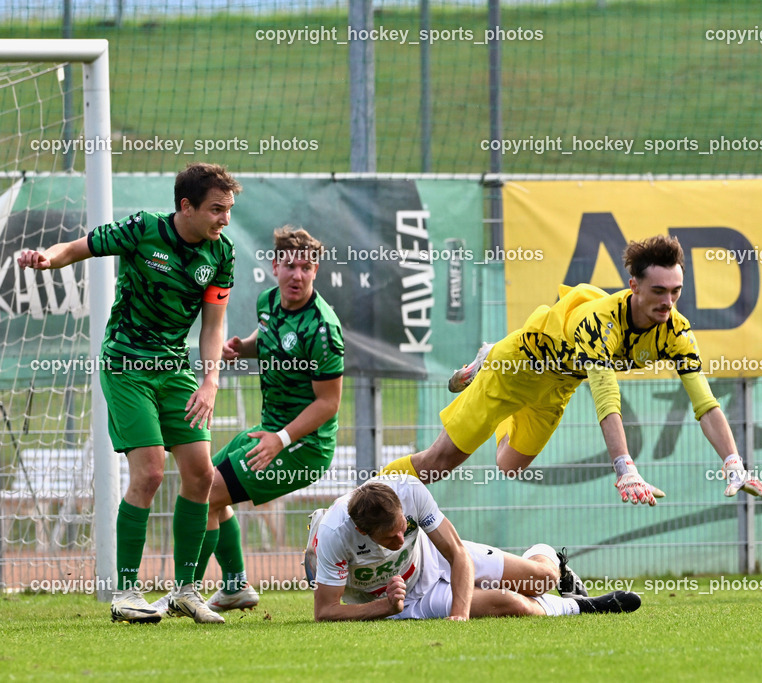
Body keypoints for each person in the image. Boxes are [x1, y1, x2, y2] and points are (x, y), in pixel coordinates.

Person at [381, 235, 762, 506]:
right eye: (659, 291)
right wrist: (625, 469)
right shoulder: (600, 322)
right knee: (437, 465)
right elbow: (606, 397)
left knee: (508, 465)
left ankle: (487, 362)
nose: (668, 302)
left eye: (676, 291)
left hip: (558, 385)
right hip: (514, 369)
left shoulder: (676, 330)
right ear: (634, 286)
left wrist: (734, 462)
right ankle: (363, 497)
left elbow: (704, 402)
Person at [18, 163, 241, 624]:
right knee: (151, 472)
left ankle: (185, 591)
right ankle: (125, 593)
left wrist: (210, 381)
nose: (225, 219)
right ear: (187, 206)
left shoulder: (222, 253)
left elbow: (212, 326)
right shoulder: (143, 229)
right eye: (217, 209)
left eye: (229, 210)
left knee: (201, 475)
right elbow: (77, 247)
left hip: (174, 369)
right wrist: (47, 259)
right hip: (126, 364)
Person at [154, 226, 345, 616]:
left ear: (316, 270)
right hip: (268, 431)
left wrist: (282, 439)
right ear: (275, 266)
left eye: (306, 267)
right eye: (290, 266)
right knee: (204, 485)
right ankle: (235, 586)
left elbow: (328, 403)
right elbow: (270, 336)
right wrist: (244, 347)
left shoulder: (323, 329)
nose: (297, 275)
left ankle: (184, 594)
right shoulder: (268, 301)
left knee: (206, 495)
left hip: (303, 448)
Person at [307, 474, 641, 621]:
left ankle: (552, 559)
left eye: (403, 530)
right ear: (362, 531)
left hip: (435, 557)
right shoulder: (335, 534)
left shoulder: (409, 491)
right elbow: (325, 612)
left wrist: (460, 615)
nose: (399, 542)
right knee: (509, 602)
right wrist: (385, 607)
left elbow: (456, 553)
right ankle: (582, 607)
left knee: (542, 579)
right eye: (389, 538)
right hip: (406, 600)